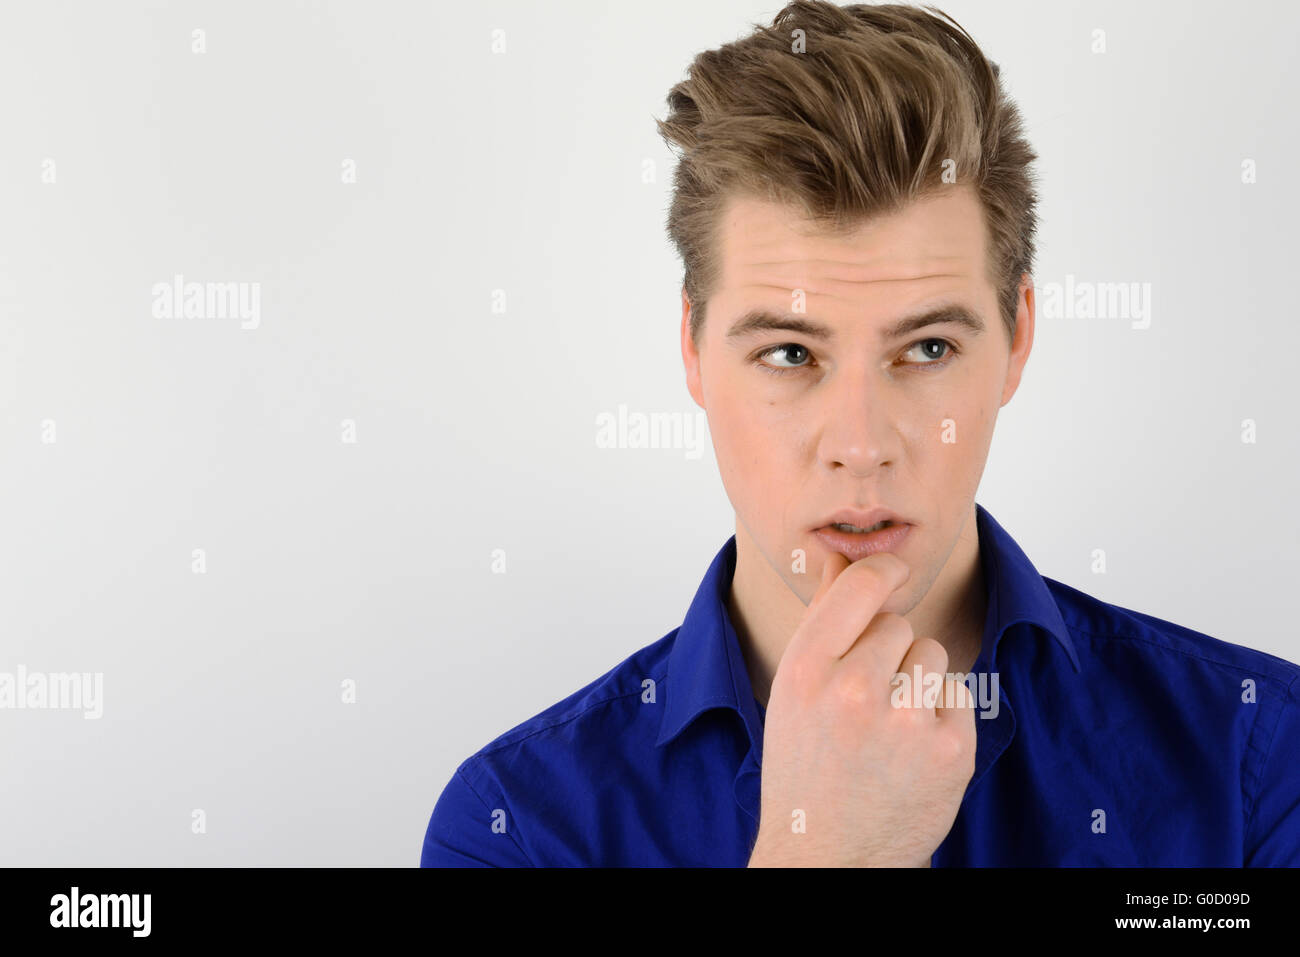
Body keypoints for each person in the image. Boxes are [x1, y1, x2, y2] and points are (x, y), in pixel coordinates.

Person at [421, 0, 1300, 866]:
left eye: (926, 347)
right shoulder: (518, 829)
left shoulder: (1260, 755)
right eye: (790, 352)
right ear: (692, 350)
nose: (861, 443)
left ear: (1018, 338)